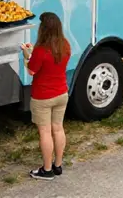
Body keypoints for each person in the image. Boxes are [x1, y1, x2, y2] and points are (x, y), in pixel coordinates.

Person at [21, 12, 71, 181]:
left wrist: (26, 56)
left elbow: (32, 70)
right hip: (61, 93)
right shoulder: (65, 45)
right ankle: (57, 165)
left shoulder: (41, 50)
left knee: (45, 132)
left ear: (43, 29)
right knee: (58, 128)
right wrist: (33, 53)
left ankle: (46, 170)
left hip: (43, 96)